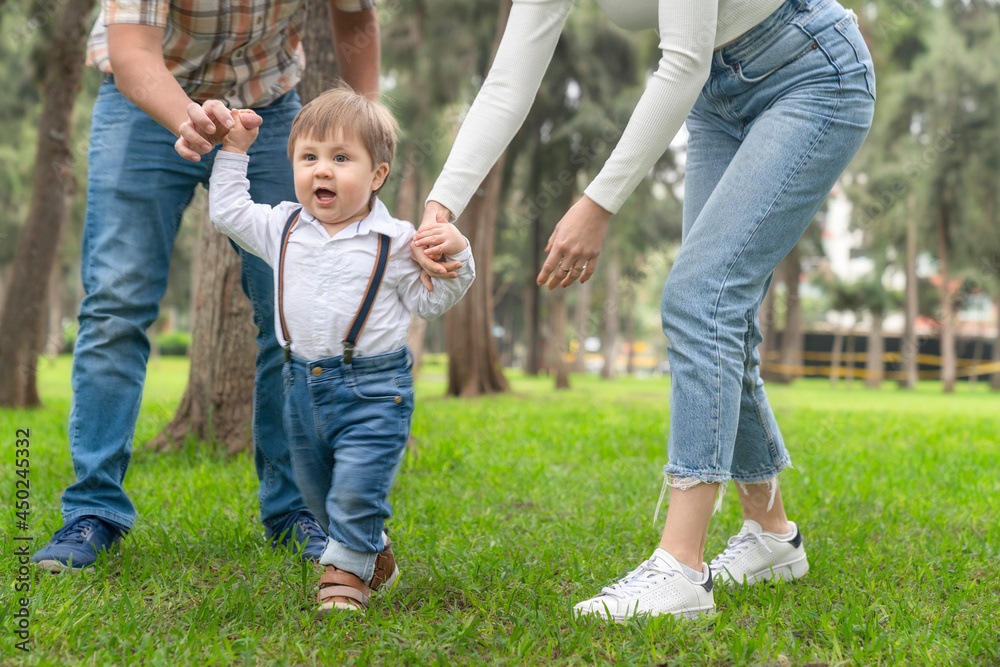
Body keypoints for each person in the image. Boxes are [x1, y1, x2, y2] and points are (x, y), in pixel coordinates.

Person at [414, 0, 875, 620]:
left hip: (810, 70)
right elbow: (507, 83)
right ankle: (772, 536)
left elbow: (680, 60)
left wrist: (598, 203)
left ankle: (682, 568)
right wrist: (441, 204)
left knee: (700, 298)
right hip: (717, 92)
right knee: (721, 314)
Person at [33, 0, 381, 572]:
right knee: (116, 304)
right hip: (143, 103)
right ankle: (91, 510)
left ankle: (296, 510)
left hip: (267, 108)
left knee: (292, 312)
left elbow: (356, 18)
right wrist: (191, 120)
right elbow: (132, 53)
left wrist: (365, 123)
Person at [209, 87, 476, 614]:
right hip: (300, 386)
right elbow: (227, 213)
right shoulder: (282, 227)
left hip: (375, 389)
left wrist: (458, 255)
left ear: (377, 175)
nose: (321, 171)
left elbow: (431, 300)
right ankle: (373, 554)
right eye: (308, 158)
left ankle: (343, 580)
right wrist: (235, 150)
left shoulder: (396, 242)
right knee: (318, 493)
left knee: (356, 487)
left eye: (340, 158)